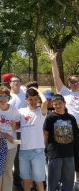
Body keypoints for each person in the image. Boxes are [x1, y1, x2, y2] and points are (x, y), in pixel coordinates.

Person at [46, 47, 79, 189]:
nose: (75, 83)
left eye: (77, 81)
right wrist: (53, 62)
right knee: (64, 159)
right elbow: (56, 79)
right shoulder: (65, 92)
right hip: (65, 132)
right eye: (72, 81)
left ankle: (76, 183)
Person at [0, 86, 20, 191]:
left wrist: (14, 126)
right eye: (0, 96)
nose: (2, 99)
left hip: (11, 146)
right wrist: (3, 135)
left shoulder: (14, 110)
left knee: (7, 171)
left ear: (9, 97)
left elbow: (18, 126)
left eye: (5, 96)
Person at [43, 94, 78, 191]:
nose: (58, 106)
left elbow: (75, 135)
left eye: (60, 103)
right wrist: (45, 149)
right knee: (53, 182)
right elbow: (45, 134)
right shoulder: (50, 117)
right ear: (52, 105)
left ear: (64, 103)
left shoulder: (71, 118)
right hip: (55, 153)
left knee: (68, 181)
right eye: (55, 104)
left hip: (69, 154)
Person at [18, 88, 48, 191]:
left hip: (38, 151)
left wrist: (36, 90)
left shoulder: (40, 111)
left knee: (39, 181)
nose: (33, 101)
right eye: (30, 99)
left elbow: (45, 102)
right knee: (26, 181)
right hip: (23, 151)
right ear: (26, 99)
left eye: (35, 99)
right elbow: (17, 126)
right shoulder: (21, 111)